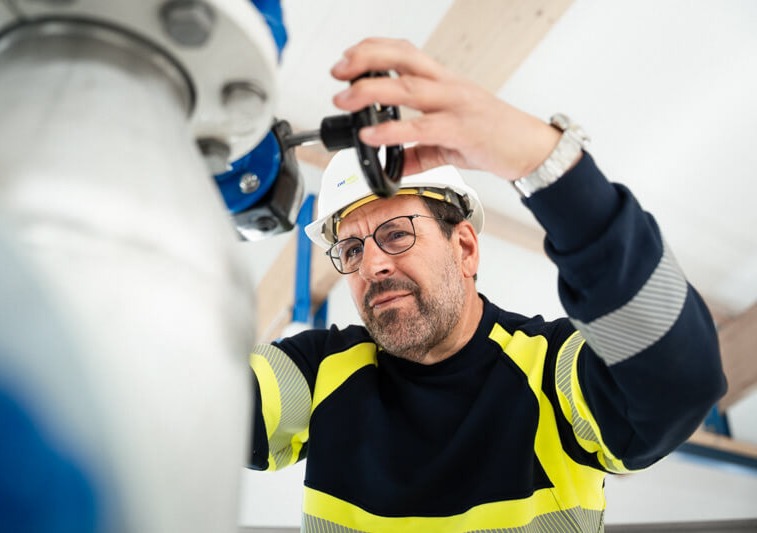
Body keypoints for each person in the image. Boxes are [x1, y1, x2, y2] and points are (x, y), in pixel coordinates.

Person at [247, 37, 726, 532]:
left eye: (396, 234)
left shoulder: (549, 374)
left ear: (465, 248)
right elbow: (202, 402)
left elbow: (680, 381)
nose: (371, 265)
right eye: (351, 249)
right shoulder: (320, 372)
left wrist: (544, 161)